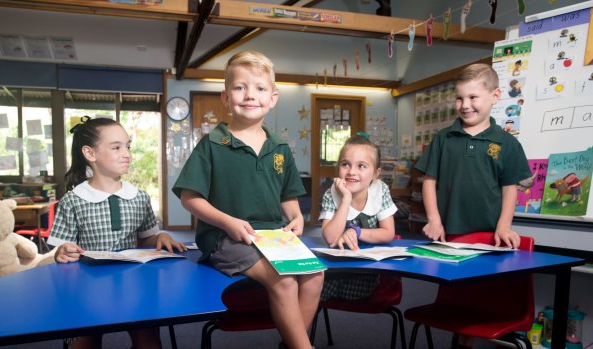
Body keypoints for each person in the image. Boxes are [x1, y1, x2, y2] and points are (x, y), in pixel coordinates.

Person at [173, 51, 323, 349]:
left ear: (273, 98)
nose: (250, 95)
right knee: (284, 280)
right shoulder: (212, 144)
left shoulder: (280, 147)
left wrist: (295, 217)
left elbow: (288, 196)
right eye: (240, 87)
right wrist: (227, 222)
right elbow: (189, 198)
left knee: (315, 275)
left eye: (259, 88)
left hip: (273, 235)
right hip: (225, 237)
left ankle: (292, 343)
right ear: (226, 98)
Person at [414, 63, 531, 349]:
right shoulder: (444, 138)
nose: (465, 105)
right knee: (459, 300)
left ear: (495, 96)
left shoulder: (506, 143)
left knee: (484, 299)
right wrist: (434, 219)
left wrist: (504, 224)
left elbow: (509, 187)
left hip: (491, 239)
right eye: (459, 98)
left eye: (473, 97)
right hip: (451, 236)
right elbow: (429, 182)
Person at [48, 116, 186, 349]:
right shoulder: (73, 200)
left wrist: (160, 236)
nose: (127, 153)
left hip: (136, 284)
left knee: (149, 343)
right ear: (90, 154)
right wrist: (62, 251)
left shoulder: (139, 197)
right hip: (86, 289)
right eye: (116, 147)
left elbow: (147, 238)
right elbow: (60, 249)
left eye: (128, 146)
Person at [319, 133, 398, 301]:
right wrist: (346, 199)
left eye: (361, 166)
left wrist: (357, 232)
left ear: (376, 173)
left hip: (368, 268)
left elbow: (388, 233)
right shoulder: (330, 193)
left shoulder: (380, 190)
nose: (351, 172)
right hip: (336, 268)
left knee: (346, 293)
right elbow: (331, 239)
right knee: (309, 287)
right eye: (345, 164)